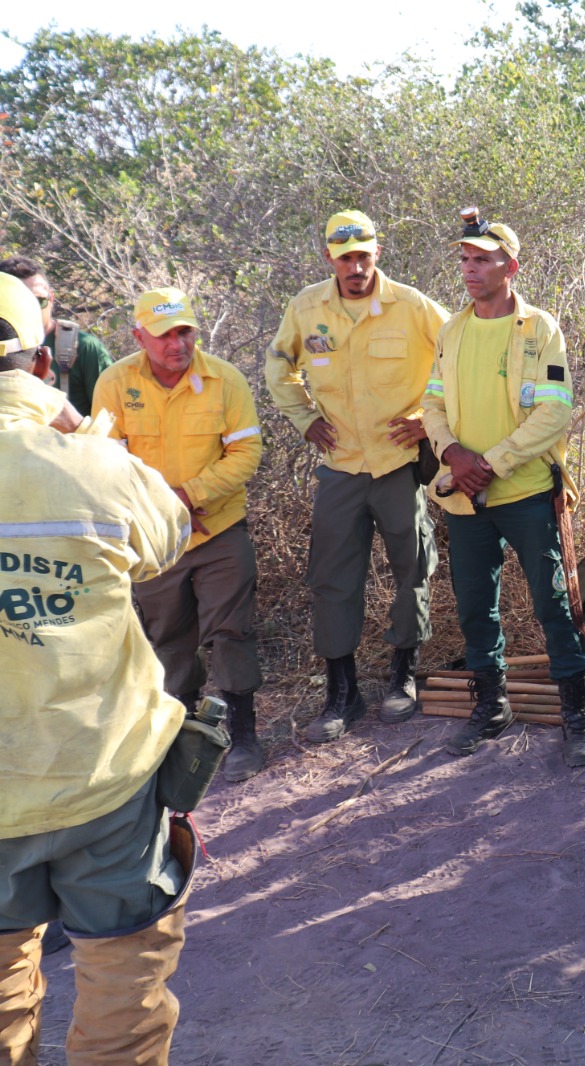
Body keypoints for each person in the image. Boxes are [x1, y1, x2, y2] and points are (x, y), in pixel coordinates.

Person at [0, 271, 196, 1064]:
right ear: (46, 364)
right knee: (123, 991)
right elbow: (169, 534)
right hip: (105, 787)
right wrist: (82, 442)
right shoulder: (88, 465)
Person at [420, 212, 585, 766]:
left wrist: (489, 464)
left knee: (553, 604)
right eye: (465, 260)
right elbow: (431, 403)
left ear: (510, 266)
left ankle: (577, 715)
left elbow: (554, 412)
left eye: (483, 259)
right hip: (465, 497)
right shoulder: (452, 330)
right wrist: (453, 454)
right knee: (475, 606)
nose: (471, 270)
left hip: (522, 492)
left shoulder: (539, 328)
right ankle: (491, 707)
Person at [267, 210, 448, 743]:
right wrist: (306, 419)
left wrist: (427, 417)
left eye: (363, 255)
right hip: (341, 465)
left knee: (411, 566)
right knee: (332, 578)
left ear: (377, 252)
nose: (354, 266)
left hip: (397, 465)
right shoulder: (307, 308)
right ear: (330, 257)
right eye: (344, 257)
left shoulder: (412, 306)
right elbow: (280, 365)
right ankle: (340, 690)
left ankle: (402, 674)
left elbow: (459, 356)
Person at [93, 288, 266, 781]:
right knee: (168, 639)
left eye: (185, 331)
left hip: (218, 531)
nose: (177, 343)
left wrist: (188, 498)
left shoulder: (224, 380)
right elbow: (106, 461)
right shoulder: (115, 382)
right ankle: (181, 740)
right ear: (139, 336)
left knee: (231, 631)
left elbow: (245, 456)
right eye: (165, 334)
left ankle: (243, 735)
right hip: (154, 539)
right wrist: (164, 510)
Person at [0, 255, 116, 416]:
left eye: (38, 301)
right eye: (17, 302)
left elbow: (111, 415)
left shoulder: (83, 346)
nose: (30, 309)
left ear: (51, 298)